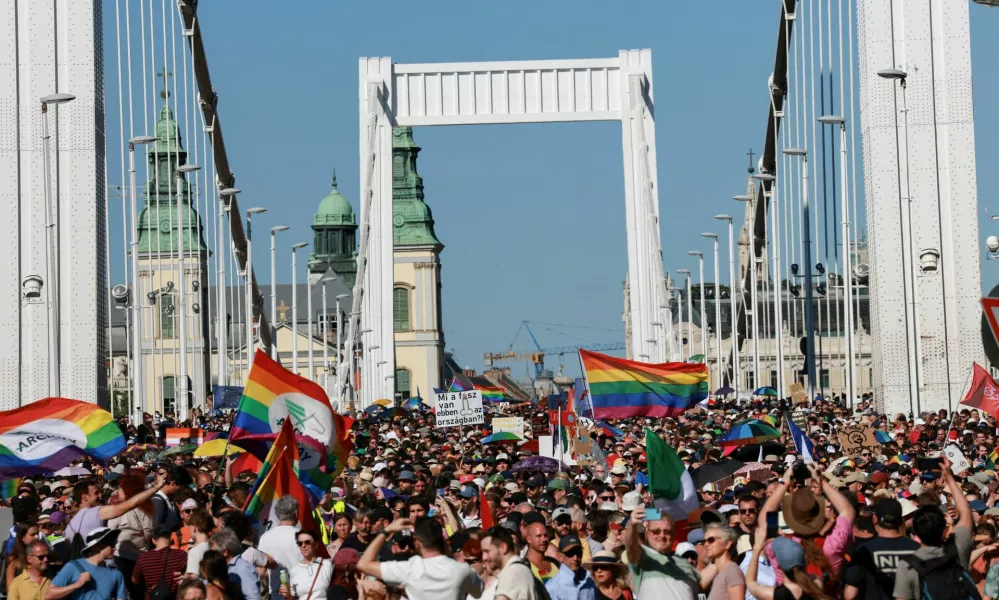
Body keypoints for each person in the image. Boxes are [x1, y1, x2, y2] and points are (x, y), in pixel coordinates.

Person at [893, 459, 974, 600]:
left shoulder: (907, 566)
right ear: (944, 529)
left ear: (916, 533)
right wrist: (949, 477)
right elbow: (965, 512)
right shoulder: (958, 546)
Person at [356, 517, 484, 600]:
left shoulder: (410, 569)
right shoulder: (462, 570)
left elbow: (363, 564)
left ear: (417, 543)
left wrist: (387, 530)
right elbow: (480, 591)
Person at [64, 474, 165, 551]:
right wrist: (157, 486)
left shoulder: (70, 525)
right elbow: (131, 504)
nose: (100, 495)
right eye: (96, 493)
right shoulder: (97, 512)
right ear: (85, 497)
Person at [842, 499, 918, 600]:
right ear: (901, 521)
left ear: (874, 519)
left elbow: (850, 594)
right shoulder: (917, 549)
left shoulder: (864, 550)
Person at [623, 507, 700, 600]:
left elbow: (699, 587)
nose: (662, 535)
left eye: (667, 531)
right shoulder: (643, 558)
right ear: (647, 533)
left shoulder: (684, 562)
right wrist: (632, 525)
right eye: (656, 531)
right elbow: (631, 547)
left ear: (673, 534)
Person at [107, 470, 155, 600]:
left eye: (120, 489)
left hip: (121, 558)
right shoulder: (147, 509)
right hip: (141, 557)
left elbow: (110, 532)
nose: (118, 492)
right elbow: (149, 533)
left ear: (127, 491)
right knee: (138, 592)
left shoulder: (118, 510)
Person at [47, 527, 128, 600]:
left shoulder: (116, 574)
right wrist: (77, 584)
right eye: (112, 543)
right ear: (98, 546)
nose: (115, 547)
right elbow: (49, 595)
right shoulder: (72, 566)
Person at [746, 534, 828, 600]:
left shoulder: (773, 595)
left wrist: (756, 549)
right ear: (804, 561)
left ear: (778, 564)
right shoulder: (817, 586)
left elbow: (750, 582)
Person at [257, 495, 302, 598]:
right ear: (296, 513)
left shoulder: (265, 537)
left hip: (276, 595)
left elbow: (261, 570)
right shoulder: (303, 537)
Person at [482, 527, 537, 600]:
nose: (484, 557)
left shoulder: (511, 574)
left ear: (503, 547)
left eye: (487, 551)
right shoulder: (519, 569)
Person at [132, 527, 187, 600]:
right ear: (171, 539)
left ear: (153, 540)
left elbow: (134, 580)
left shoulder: (143, 558)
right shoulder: (181, 555)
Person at [281, 529, 333, 600]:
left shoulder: (327, 564)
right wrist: (287, 594)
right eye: (300, 543)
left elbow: (336, 591)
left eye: (307, 542)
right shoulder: (294, 570)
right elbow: (292, 597)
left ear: (316, 544)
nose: (303, 546)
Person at [209, 528, 260, 600]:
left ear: (225, 552)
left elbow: (254, 597)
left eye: (214, 552)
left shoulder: (242, 568)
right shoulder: (223, 568)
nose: (211, 556)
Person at [699, 525, 745, 600]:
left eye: (711, 540)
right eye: (704, 541)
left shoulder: (732, 571)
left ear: (728, 544)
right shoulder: (721, 573)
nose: (706, 544)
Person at [545, 534, 595, 600]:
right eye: (570, 553)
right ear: (560, 557)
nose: (575, 558)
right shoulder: (552, 587)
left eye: (578, 553)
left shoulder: (590, 582)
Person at [6, 524, 40, 591]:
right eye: (33, 534)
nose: (37, 537)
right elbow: (11, 591)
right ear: (22, 538)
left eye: (38, 533)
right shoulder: (14, 560)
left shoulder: (43, 556)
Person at [185, 510, 214, 576]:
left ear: (194, 527)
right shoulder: (216, 547)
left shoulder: (195, 551)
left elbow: (194, 578)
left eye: (190, 527)